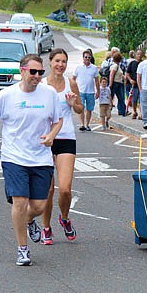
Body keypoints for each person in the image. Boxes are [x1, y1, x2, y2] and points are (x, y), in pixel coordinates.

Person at [0, 54, 63, 266]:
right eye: (33, 72)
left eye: (40, 72)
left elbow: (58, 120)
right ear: (22, 70)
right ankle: (22, 249)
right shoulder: (7, 95)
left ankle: (29, 220)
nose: (37, 76)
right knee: (19, 202)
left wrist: (52, 135)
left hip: (41, 158)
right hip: (14, 158)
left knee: (38, 206)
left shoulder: (50, 94)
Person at [40, 48, 83, 245]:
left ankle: (64, 219)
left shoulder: (70, 82)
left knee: (65, 189)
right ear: (50, 62)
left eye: (64, 61)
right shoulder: (40, 85)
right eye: (57, 61)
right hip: (45, 139)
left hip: (66, 137)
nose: (60, 65)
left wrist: (74, 103)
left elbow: (81, 108)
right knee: (48, 190)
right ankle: (46, 227)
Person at [73, 50, 100, 132]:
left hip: (90, 91)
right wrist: (74, 90)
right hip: (80, 91)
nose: (87, 59)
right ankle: (82, 124)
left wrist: (98, 91)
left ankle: (87, 124)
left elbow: (96, 81)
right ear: (83, 58)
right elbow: (73, 79)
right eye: (86, 57)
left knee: (89, 109)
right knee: (81, 108)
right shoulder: (78, 67)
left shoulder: (94, 68)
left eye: (89, 57)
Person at [109, 52, 129, 117]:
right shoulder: (115, 66)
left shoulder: (117, 65)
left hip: (118, 83)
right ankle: (109, 110)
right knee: (117, 98)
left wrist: (123, 77)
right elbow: (112, 75)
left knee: (120, 98)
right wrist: (110, 84)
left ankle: (123, 111)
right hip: (115, 83)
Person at [126, 49, 143, 120]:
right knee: (134, 100)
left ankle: (141, 114)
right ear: (135, 55)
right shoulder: (132, 63)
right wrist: (130, 80)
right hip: (134, 85)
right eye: (138, 54)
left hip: (142, 85)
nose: (139, 55)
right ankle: (134, 111)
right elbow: (127, 73)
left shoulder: (143, 63)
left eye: (140, 54)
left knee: (141, 100)